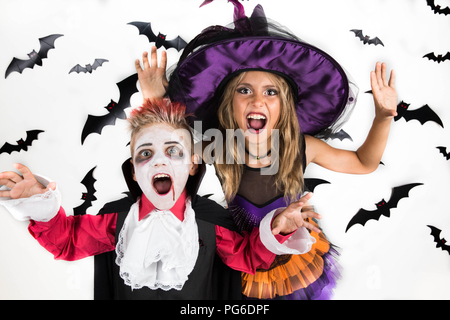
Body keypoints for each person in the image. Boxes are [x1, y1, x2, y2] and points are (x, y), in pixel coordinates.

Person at [134, 2, 397, 300]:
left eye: (270, 92)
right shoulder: (216, 147)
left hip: (292, 259)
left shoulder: (301, 147)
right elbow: (168, 147)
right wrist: (156, 98)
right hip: (244, 258)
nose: (257, 100)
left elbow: (364, 163)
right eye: (244, 90)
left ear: (284, 105)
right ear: (227, 104)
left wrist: (383, 117)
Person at [0, 99, 320, 300]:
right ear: (135, 171)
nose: (159, 163)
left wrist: (279, 227)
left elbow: (248, 258)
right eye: (146, 154)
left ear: (192, 164)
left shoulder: (210, 226)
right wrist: (39, 202)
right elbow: (67, 241)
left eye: (173, 152)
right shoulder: (117, 223)